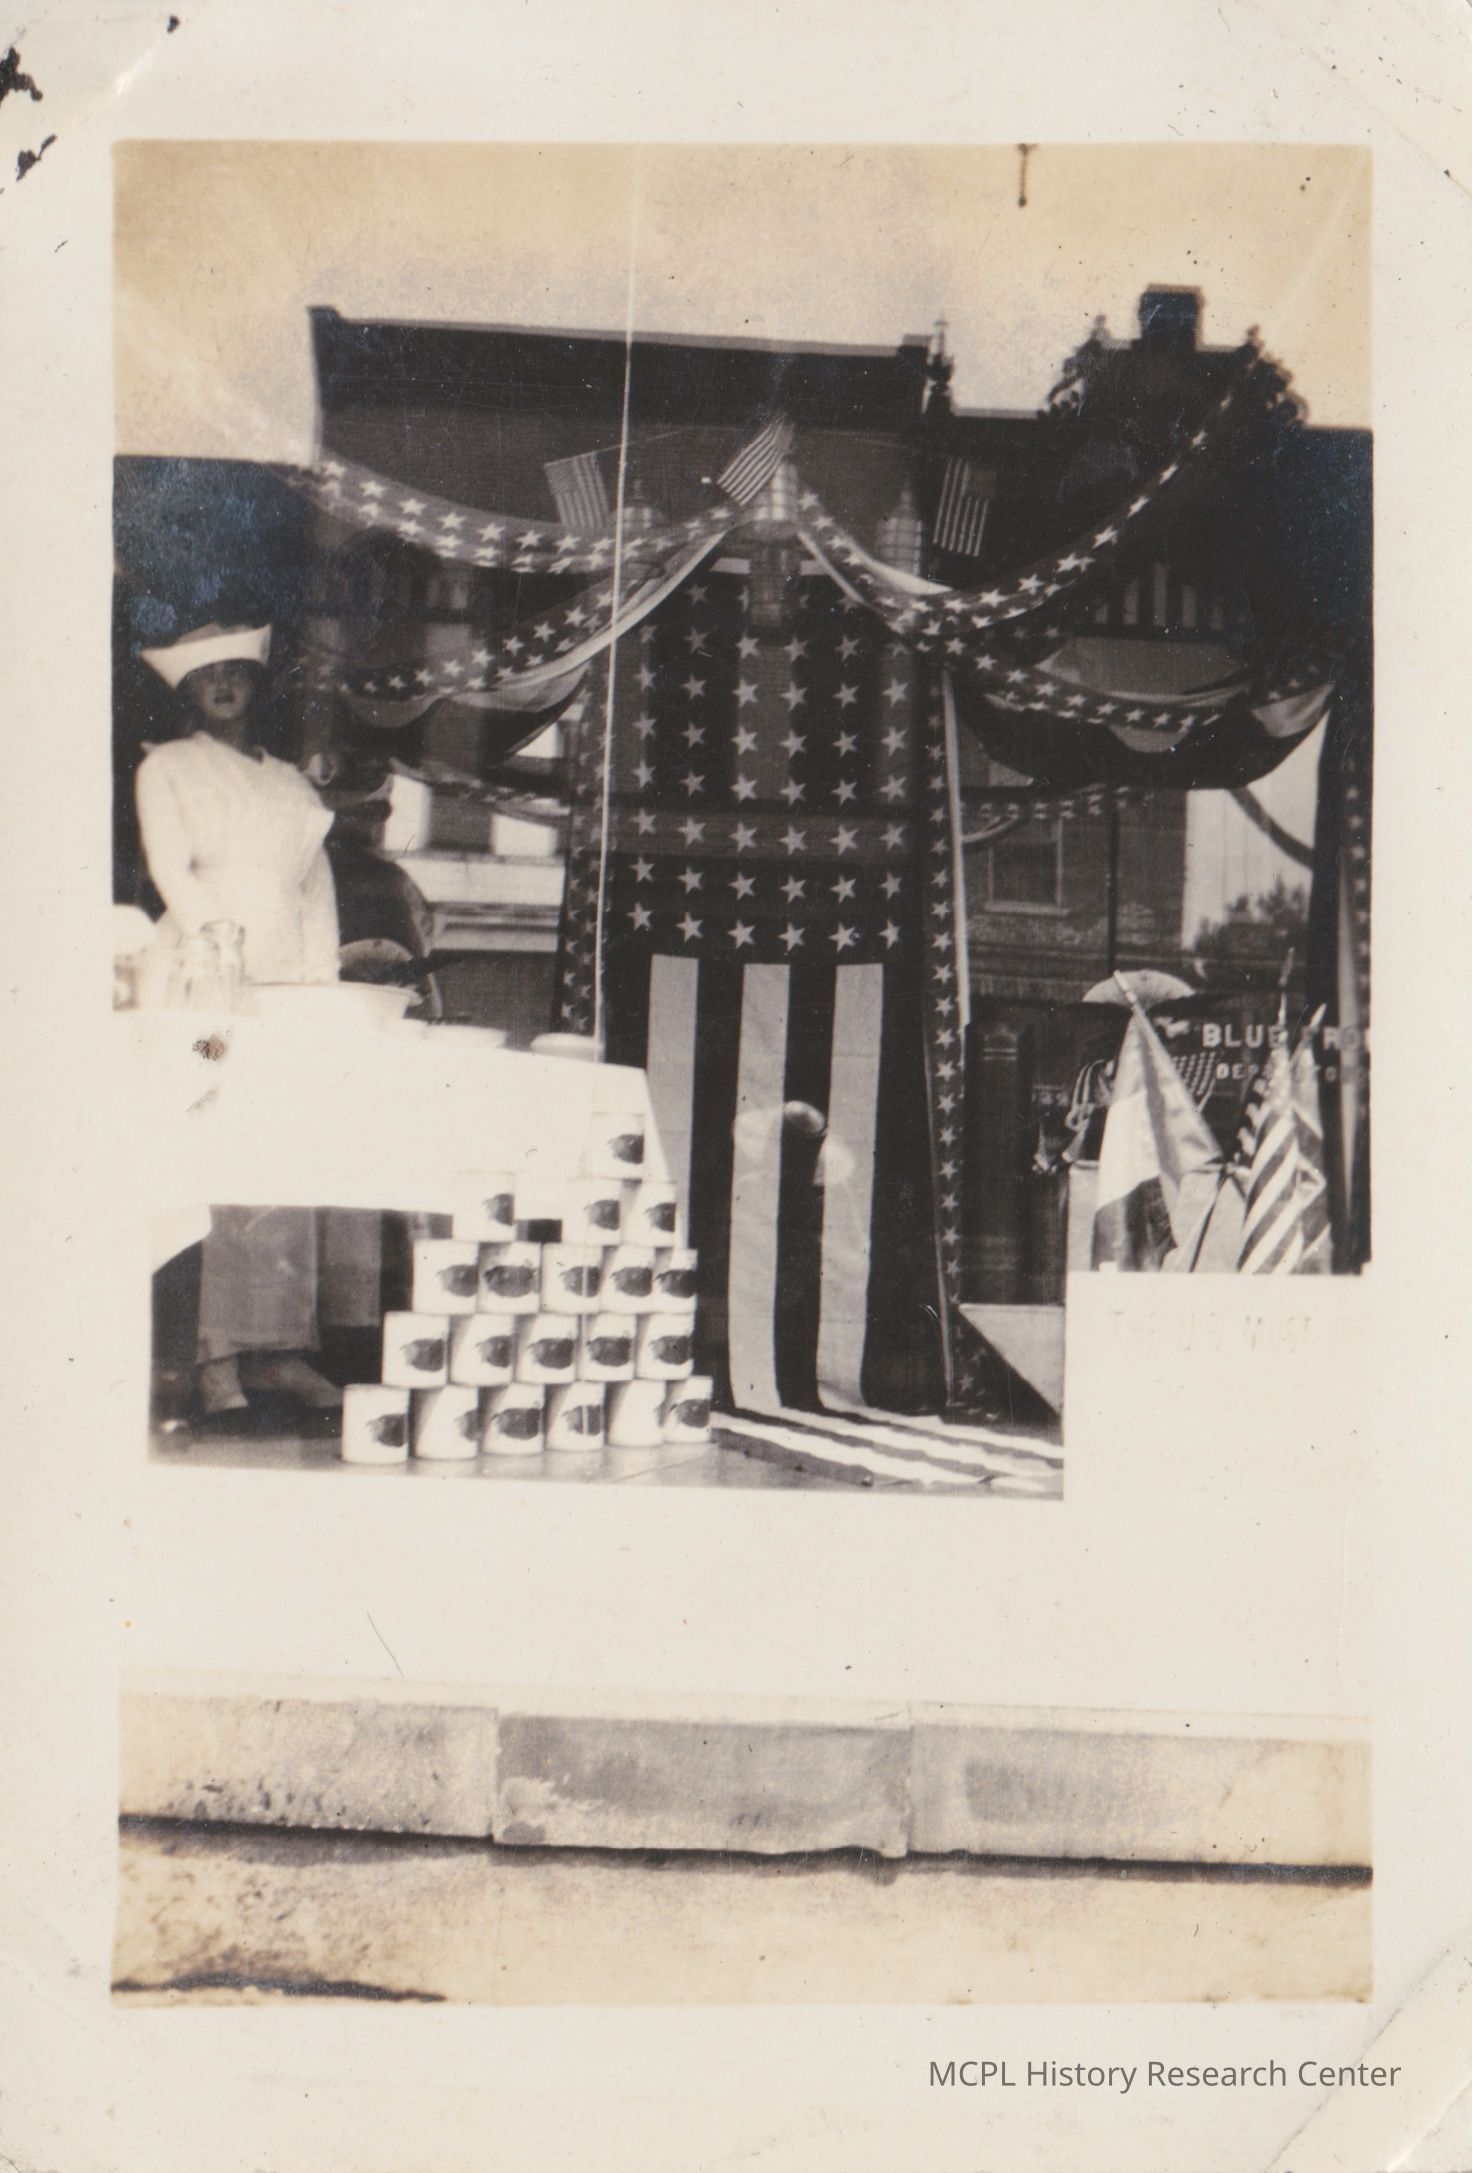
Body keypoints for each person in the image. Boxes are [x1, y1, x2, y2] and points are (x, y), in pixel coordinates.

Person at [137, 622, 352, 1420]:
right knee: (214, 1148)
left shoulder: (292, 785)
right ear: (187, 690)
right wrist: (220, 955)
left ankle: (279, 1350)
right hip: (205, 976)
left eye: (237, 671)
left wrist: (320, 985)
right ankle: (214, 1357)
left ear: (258, 685)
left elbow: (314, 894)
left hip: (288, 981)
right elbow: (171, 868)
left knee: (284, 1156)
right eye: (207, 675)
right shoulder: (169, 766)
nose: (223, 684)